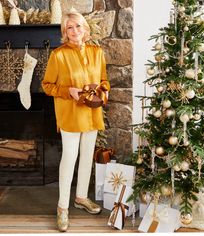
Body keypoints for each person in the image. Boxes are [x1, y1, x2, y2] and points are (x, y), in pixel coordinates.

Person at [42, 10, 110, 232]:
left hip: (92, 113)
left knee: (86, 158)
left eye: (78, 26)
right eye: (69, 28)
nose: (74, 31)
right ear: (64, 32)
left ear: (85, 29)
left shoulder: (97, 52)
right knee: (69, 159)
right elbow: (47, 85)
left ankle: (81, 197)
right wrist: (67, 91)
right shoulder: (58, 55)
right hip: (70, 115)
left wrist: (103, 92)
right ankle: (62, 207)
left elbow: (104, 80)